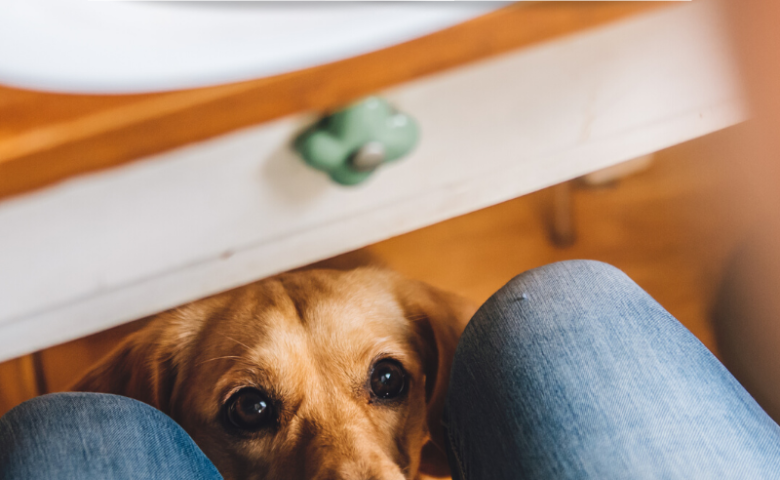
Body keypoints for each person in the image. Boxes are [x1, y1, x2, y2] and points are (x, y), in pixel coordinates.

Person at [2, 261, 780, 479]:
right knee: (569, 304)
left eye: (384, 383)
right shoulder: (145, 385)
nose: (349, 469)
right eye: (252, 411)